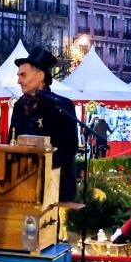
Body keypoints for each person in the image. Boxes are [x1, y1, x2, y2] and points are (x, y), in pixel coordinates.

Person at [9, 47, 79, 202]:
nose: (18, 80)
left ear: (40, 75)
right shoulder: (19, 105)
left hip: (56, 185)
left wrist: (43, 165)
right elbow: (11, 140)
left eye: (23, 75)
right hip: (23, 184)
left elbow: (70, 146)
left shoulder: (61, 105)